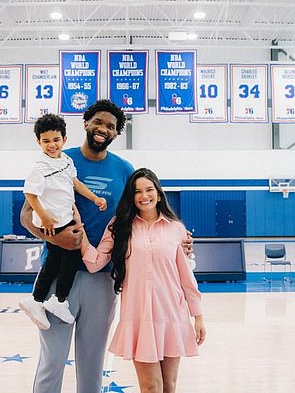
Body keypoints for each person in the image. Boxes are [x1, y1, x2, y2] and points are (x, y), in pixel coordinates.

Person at [20, 99, 134, 393]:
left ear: (116, 133)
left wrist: (177, 239)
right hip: (59, 274)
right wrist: (54, 238)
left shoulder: (124, 170)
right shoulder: (57, 157)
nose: (102, 129)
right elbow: (26, 216)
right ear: (85, 124)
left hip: (102, 279)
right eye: (98, 122)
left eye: (110, 126)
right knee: (52, 360)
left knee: (93, 363)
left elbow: (141, 217)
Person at [80, 168, 206, 393]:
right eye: (137, 191)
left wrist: (198, 317)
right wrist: (79, 232)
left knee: (169, 386)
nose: (144, 195)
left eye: (149, 189)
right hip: (140, 317)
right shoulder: (119, 226)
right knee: (151, 387)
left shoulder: (176, 229)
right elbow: (95, 262)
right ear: (131, 196)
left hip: (172, 315)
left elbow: (186, 277)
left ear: (158, 193)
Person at [18, 113, 107, 330]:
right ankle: (51, 300)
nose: (51, 145)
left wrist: (94, 197)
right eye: (46, 141)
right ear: (39, 142)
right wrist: (45, 216)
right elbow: (30, 194)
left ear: (64, 140)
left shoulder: (66, 161)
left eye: (56, 140)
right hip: (52, 222)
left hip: (65, 217)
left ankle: (45, 300)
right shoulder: (39, 167)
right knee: (62, 259)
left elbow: (76, 183)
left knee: (59, 261)